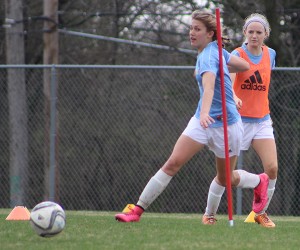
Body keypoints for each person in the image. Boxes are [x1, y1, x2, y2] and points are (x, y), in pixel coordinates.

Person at [115, 10, 269, 224]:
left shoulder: (209, 55)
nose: (191, 33)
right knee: (173, 163)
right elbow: (243, 65)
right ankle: (137, 210)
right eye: (191, 28)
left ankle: (259, 181)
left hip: (227, 124)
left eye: (197, 29)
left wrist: (208, 106)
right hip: (201, 122)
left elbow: (209, 87)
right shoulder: (214, 51)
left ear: (210, 34)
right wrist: (205, 110)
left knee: (226, 179)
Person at [230, 13, 277, 227]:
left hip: (262, 120)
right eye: (251, 32)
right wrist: (236, 97)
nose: (255, 35)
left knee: (272, 168)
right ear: (245, 33)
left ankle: (260, 213)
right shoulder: (237, 54)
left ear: (266, 34)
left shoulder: (271, 54)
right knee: (225, 175)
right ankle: (209, 212)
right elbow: (229, 85)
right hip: (238, 121)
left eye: (259, 32)